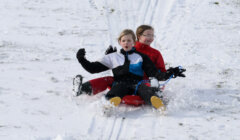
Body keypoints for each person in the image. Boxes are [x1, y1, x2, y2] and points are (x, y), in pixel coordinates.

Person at [75, 29, 185, 109]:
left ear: (134, 42)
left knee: (145, 90)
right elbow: (93, 69)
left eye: (129, 40)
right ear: (120, 42)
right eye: (124, 40)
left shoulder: (141, 57)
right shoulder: (113, 57)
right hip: (120, 82)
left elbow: (155, 73)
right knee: (118, 88)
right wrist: (82, 59)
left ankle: (156, 102)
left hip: (137, 83)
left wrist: (171, 73)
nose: (126, 43)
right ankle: (111, 102)